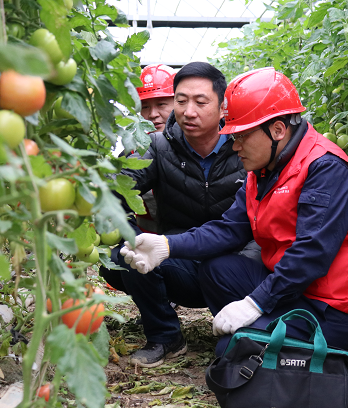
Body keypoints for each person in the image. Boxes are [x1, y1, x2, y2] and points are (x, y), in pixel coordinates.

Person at [119, 67, 348, 363]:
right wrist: (166, 246)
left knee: (231, 352)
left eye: (243, 136)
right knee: (217, 270)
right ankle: (276, 336)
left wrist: (255, 304)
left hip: (334, 307)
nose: (234, 146)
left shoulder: (326, 168)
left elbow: (312, 253)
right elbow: (228, 229)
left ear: (278, 130)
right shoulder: (263, 169)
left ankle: (342, 350)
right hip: (295, 291)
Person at [100, 62, 248, 367]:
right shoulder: (157, 147)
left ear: (223, 108)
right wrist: (129, 232)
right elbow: (116, 189)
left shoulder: (245, 147)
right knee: (127, 253)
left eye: (200, 102)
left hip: (235, 268)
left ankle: (252, 326)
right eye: (181, 101)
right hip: (179, 261)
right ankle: (165, 335)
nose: (188, 111)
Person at [134, 64, 177, 233]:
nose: (152, 114)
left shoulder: (196, 146)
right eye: (145, 106)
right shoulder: (134, 153)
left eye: (161, 104)